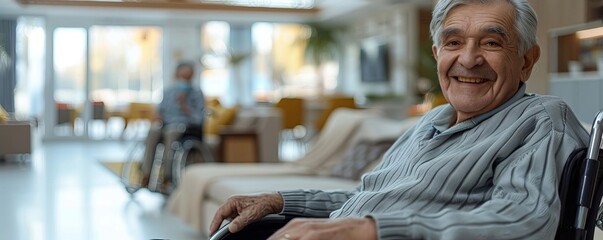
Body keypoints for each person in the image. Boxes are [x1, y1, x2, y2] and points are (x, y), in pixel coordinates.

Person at [209, 0, 591, 239]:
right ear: (438, 52)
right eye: (454, 42)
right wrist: (279, 200)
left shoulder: (539, 119)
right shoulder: (431, 122)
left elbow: (523, 220)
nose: (469, 58)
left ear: (526, 60)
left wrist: (372, 229)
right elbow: (367, 198)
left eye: (491, 43)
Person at [141, 61, 205, 191]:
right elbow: (160, 110)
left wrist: (185, 107)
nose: (185, 80)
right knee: (153, 131)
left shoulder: (196, 93)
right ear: (176, 76)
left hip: (185, 127)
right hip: (166, 124)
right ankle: (145, 174)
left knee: (171, 133)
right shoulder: (169, 91)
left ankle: (166, 176)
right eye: (182, 77)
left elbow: (200, 119)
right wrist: (158, 115)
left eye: (188, 77)